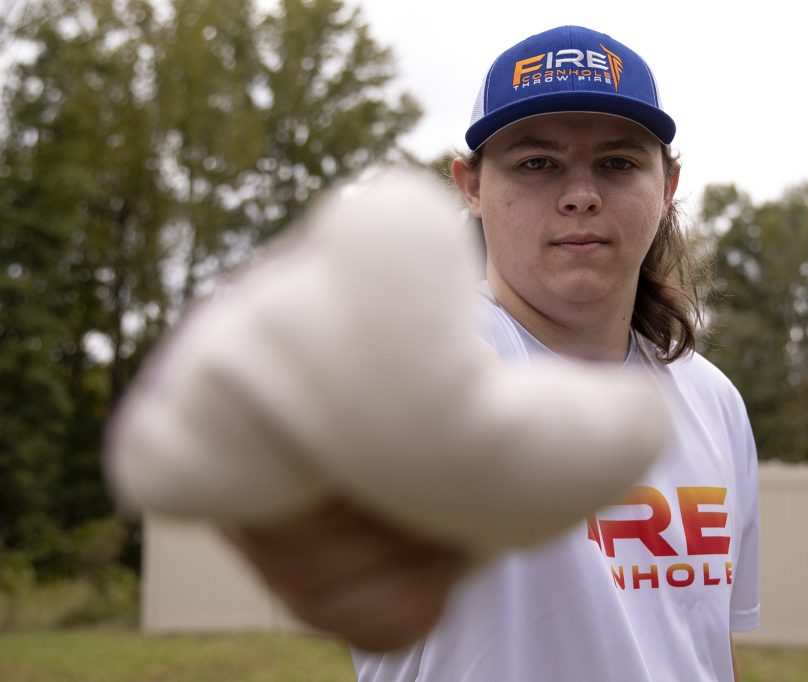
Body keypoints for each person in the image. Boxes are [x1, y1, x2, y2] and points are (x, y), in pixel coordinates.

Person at [230, 24, 759, 682]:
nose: (580, 195)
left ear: (669, 183)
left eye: (618, 163)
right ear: (470, 186)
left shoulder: (714, 402)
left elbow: (705, 650)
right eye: (537, 163)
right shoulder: (424, 370)